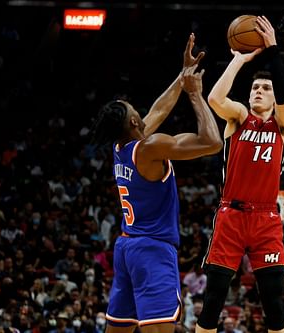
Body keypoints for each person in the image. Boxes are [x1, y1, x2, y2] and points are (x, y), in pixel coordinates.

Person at [91, 33, 222, 333]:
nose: (139, 110)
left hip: (127, 248)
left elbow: (158, 111)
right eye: (133, 109)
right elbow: (212, 142)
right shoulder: (150, 148)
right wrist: (195, 94)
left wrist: (182, 75)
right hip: (153, 251)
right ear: (134, 123)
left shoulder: (121, 146)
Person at [195, 16, 284, 333]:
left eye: (265, 88)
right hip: (231, 215)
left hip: (266, 219)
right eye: (255, 88)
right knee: (213, 300)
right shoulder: (238, 118)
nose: (259, 91)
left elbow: (283, 93)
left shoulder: (282, 125)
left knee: (274, 304)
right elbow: (214, 99)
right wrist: (238, 61)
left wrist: (274, 49)